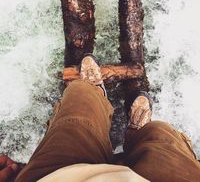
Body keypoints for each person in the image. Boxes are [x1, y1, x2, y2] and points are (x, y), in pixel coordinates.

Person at [1, 54, 200, 182]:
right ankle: (135, 135)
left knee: (79, 94)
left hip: (60, 177)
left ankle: (93, 92)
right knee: (160, 133)